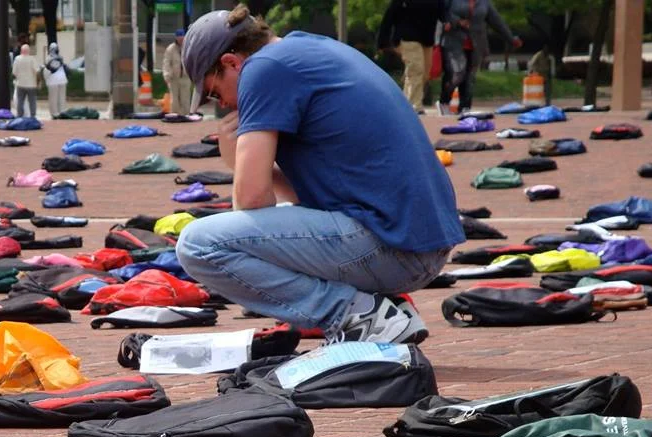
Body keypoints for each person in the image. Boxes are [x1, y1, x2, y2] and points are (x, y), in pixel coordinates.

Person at [176, 5, 465, 344]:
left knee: (199, 245)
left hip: (393, 247)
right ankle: (386, 310)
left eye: (214, 92)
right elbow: (303, 199)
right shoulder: (310, 48)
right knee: (274, 222)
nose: (222, 105)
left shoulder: (263, 70)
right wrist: (252, 166)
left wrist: (239, 158)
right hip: (417, 243)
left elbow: (252, 200)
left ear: (231, 62)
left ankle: (356, 315)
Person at [437, 0, 521, 115]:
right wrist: (457, 21)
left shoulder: (484, 3)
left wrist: (511, 39)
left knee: (469, 77)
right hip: (453, 42)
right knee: (458, 73)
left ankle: (465, 107)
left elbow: (497, 22)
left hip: (476, 44)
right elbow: (443, 12)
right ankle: (444, 102)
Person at [376, 0, 443, 113]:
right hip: (407, 37)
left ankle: (404, 103)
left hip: (427, 39)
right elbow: (389, 16)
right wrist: (382, 41)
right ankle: (414, 106)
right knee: (416, 69)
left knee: (424, 74)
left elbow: (442, 13)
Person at [163, 29, 192, 115]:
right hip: (174, 77)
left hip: (185, 77)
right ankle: (175, 116)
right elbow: (166, 62)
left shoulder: (189, 48)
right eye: (179, 38)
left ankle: (185, 115)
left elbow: (193, 61)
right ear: (176, 38)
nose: (181, 40)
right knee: (174, 99)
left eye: (182, 38)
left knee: (185, 99)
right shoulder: (171, 49)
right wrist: (166, 74)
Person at [11, 43, 41, 117]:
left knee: (20, 101)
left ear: (21, 51)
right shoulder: (32, 59)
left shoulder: (17, 59)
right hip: (31, 84)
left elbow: (14, 72)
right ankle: (32, 116)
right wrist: (38, 82)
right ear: (29, 51)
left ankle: (20, 116)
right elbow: (37, 72)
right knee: (32, 101)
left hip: (20, 84)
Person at [43, 42, 68, 118]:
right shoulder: (60, 58)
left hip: (52, 80)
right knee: (62, 97)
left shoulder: (48, 58)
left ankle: (54, 113)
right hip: (62, 79)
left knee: (53, 98)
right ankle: (62, 111)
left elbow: (46, 71)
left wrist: (46, 80)